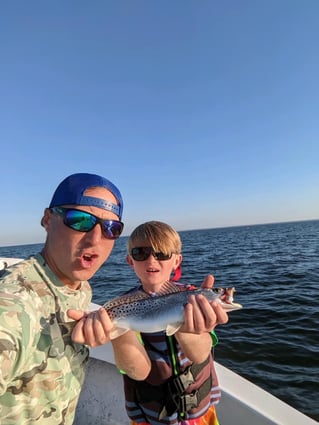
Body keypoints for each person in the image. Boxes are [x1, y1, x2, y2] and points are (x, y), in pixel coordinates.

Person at [0, 172, 150, 425]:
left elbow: (141, 372)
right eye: (79, 220)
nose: (95, 239)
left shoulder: (80, 287)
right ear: (48, 219)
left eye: (110, 228)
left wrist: (119, 330)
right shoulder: (15, 303)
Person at [120, 220, 227, 425]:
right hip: (151, 417)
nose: (152, 259)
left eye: (161, 253)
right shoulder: (125, 306)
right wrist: (117, 331)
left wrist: (187, 328)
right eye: (141, 253)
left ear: (177, 261)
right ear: (130, 261)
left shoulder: (195, 297)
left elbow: (200, 354)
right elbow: (137, 371)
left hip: (200, 414)